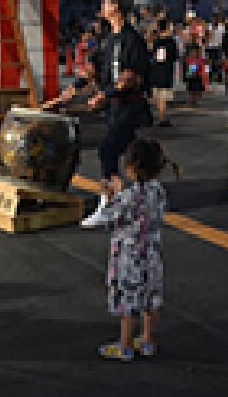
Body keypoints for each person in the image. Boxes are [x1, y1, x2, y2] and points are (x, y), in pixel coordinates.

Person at [96, 139, 177, 362]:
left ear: (132, 167)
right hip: (152, 252)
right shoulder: (158, 191)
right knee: (150, 298)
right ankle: (148, 340)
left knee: (129, 302)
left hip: (129, 257)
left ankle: (125, 345)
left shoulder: (130, 196)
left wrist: (110, 195)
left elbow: (108, 217)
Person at [80, 0, 151, 228]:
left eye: (106, 1)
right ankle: (132, 200)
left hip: (129, 108)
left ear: (116, 7)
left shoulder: (132, 40)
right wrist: (79, 84)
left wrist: (102, 95)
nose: (102, 5)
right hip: (115, 108)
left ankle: (107, 206)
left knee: (108, 152)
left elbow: (129, 79)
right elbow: (97, 67)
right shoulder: (109, 39)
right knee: (132, 156)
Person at [148, 20, 178, 127]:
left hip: (156, 70)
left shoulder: (156, 41)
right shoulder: (170, 42)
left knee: (159, 95)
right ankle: (162, 118)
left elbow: (152, 55)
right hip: (166, 70)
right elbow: (174, 57)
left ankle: (161, 116)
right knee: (163, 95)